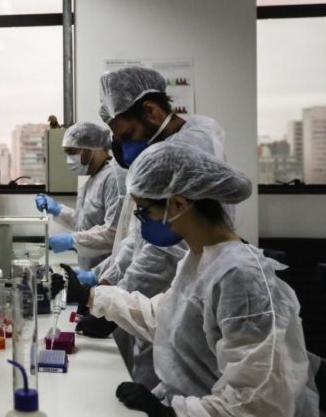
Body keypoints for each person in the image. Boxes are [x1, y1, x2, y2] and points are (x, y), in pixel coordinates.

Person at [54, 142, 319, 417]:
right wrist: (90, 296)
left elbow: (260, 401)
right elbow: (163, 318)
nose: (141, 221)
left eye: (144, 211)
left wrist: (170, 414)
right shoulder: (199, 259)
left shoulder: (241, 277)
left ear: (178, 204)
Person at [73, 66, 228, 389]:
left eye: (128, 135)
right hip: (158, 303)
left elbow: (163, 251)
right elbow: (137, 234)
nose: (125, 146)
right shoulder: (161, 153)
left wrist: (110, 301)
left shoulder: (184, 151)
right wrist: (106, 287)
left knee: (178, 376)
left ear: (152, 111)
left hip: (175, 299)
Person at [35, 122, 126, 272]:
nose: (69, 159)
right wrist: (58, 210)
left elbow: (114, 233)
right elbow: (85, 224)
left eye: (72, 151)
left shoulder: (114, 179)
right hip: (90, 269)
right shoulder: (91, 180)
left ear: (91, 149)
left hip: (109, 273)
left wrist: (71, 240)